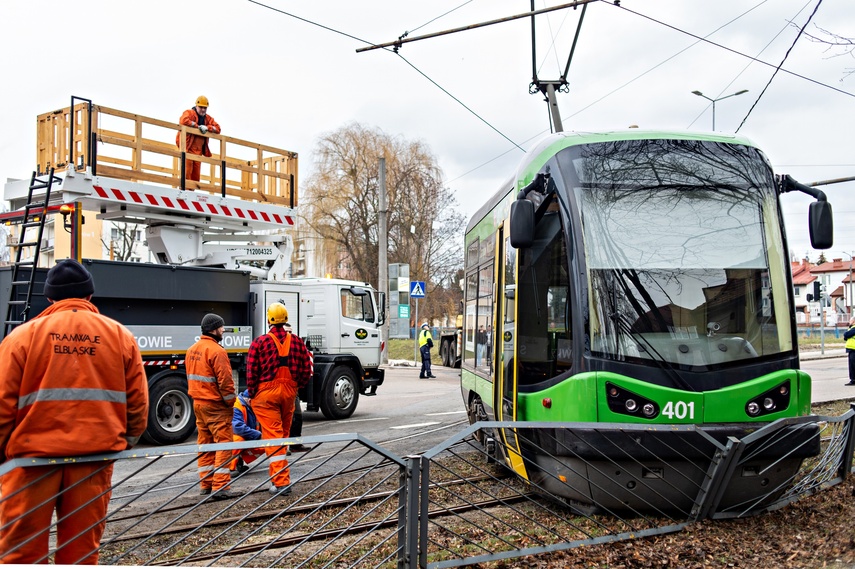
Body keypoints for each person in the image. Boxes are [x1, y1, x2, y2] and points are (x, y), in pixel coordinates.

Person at [0, 259, 148, 564]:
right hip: (93, 461)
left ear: (50, 298)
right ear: (89, 296)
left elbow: (3, 404)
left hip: (30, 463)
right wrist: (123, 442)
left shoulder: (21, 338)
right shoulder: (121, 337)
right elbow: (138, 405)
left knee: (21, 554)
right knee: (81, 552)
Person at [246, 303, 313, 496]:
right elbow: (306, 371)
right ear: (285, 320)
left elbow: (251, 373)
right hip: (288, 394)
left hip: (265, 396)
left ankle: (282, 482)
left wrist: (252, 394)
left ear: (269, 320)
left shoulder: (259, 343)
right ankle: (277, 479)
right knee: (281, 437)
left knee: (274, 438)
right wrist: (294, 386)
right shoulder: (298, 342)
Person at [186, 313, 237, 499]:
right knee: (224, 445)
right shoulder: (217, 351)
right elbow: (226, 382)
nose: (223, 330)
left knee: (205, 444)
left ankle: (206, 484)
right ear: (214, 329)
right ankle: (220, 487)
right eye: (221, 327)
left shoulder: (192, 349)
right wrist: (231, 403)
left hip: (198, 404)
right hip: (216, 406)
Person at [175, 95, 221, 184]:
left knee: (195, 177)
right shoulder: (189, 113)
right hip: (187, 149)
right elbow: (183, 121)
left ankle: (191, 192)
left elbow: (218, 129)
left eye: (205, 108)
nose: (203, 110)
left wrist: (207, 128)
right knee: (187, 173)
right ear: (196, 106)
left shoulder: (208, 119)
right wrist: (197, 126)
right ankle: (185, 190)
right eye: (201, 107)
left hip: (198, 152)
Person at [229, 390, 265, 474]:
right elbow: (238, 428)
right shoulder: (236, 406)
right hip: (231, 437)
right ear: (249, 401)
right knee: (238, 440)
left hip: (246, 435)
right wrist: (259, 435)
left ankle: (238, 462)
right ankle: (230, 468)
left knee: (265, 445)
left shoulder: (250, 406)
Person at [845, 316, 855, 386]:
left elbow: (846, 334)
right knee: (852, 366)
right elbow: (845, 337)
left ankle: (853, 380)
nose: (849, 322)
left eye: (850, 320)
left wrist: (846, 335)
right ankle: (853, 379)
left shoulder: (854, 329)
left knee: (853, 366)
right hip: (851, 349)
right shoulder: (851, 328)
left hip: (854, 349)